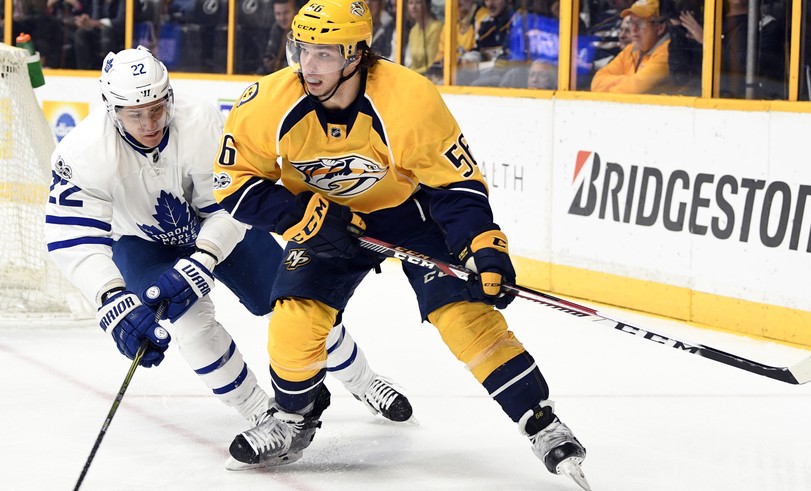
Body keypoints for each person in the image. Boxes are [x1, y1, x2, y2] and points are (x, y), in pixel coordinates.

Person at [212, 1, 591, 488]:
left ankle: (540, 420)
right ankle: (292, 418)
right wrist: (302, 216)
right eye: (301, 49)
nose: (309, 65)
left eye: (324, 53)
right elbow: (231, 182)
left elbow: (455, 186)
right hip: (327, 218)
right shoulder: (267, 103)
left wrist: (484, 246)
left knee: (464, 316)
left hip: (411, 215)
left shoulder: (408, 99)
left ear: (357, 54)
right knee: (293, 316)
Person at [44, 47, 414, 438]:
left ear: (168, 96)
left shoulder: (199, 118)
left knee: (295, 299)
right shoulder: (82, 151)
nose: (150, 122)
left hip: (221, 227)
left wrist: (204, 256)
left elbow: (230, 202)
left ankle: (363, 380)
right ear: (110, 108)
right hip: (143, 240)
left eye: (156, 108)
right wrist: (110, 297)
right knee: (191, 328)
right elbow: (73, 236)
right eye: (135, 114)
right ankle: (260, 413)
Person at [590, 0, 672, 94]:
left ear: (660, 27)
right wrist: (627, 81)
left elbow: (632, 90)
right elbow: (596, 81)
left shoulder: (667, 52)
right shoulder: (631, 49)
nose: (633, 29)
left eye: (640, 23)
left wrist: (611, 85)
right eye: (632, 22)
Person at [258, 0, 299, 74]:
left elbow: (298, 65)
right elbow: (270, 51)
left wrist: (279, 65)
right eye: (278, 14)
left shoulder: (302, 32)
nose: (282, 18)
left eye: (286, 13)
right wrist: (268, 62)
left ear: (296, 11)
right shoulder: (276, 28)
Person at [403, 0, 442, 77]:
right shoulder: (413, 31)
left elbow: (431, 64)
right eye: (411, 3)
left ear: (427, 5)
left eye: (418, 2)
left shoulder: (436, 28)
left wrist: (411, 73)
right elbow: (412, 62)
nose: (414, 7)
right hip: (415, 76)